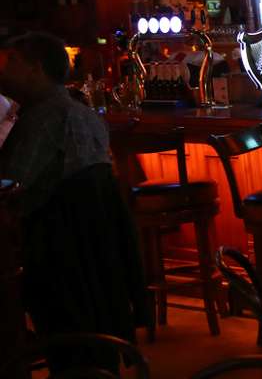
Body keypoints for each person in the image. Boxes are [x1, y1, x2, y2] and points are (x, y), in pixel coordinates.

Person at [0, 32, 147, 370]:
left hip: (56, 255)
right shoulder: (79, 112)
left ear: (36, 69)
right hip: (96, 256)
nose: (4, 72)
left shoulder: (42, 119)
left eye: (12, 63)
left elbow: (9, 187)